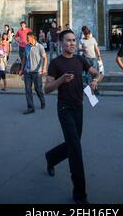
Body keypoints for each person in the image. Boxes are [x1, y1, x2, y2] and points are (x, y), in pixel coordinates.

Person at [44, 29, 102, 205]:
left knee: (73, 143)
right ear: (60, 43)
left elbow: (98, 74)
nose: (72, 43)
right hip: (64, 108)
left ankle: (51, 157)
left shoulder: (80, 59)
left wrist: (94, 81)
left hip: (79, 107)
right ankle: (80, 195)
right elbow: (47, 89)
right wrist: (61, 80)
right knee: (76, 150)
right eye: (68, 40)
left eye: (73, 40)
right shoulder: (55, 63)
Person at [19, 32, 47, 114]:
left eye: (28, 38)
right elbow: (24, 58)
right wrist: (21, 69)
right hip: (27, 71)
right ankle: (30, 107)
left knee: (38, 88)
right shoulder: (26, 46)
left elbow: (45, 58)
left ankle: (42, 101)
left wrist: (44, 68)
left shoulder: (40, 47)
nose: (27, 39)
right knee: (28, 89)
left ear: (33, 38)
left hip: (37, 72)